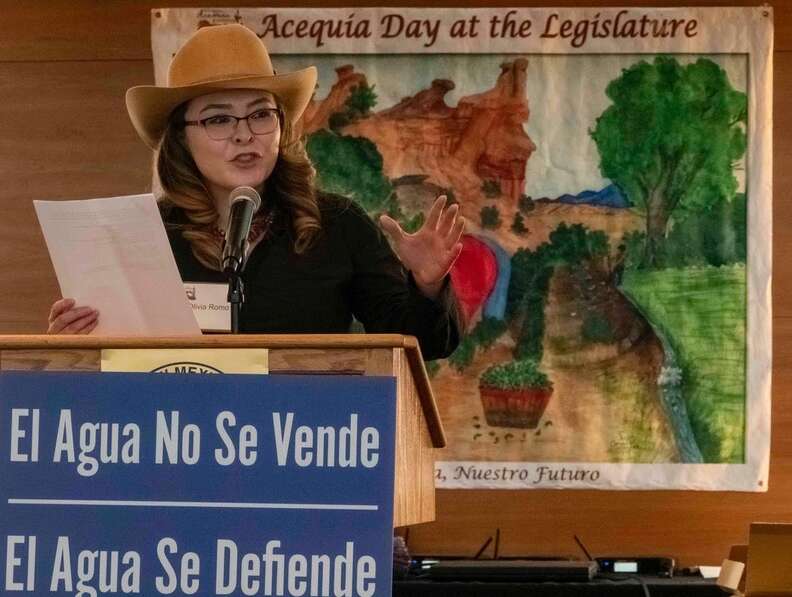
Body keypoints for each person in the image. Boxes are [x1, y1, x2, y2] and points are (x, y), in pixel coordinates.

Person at [47, 24, 464, 360]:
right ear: (181, 139)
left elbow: (423, 344)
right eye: (219, 120)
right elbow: (110, 369)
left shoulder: (337, 226)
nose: (244, 135)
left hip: (304, 444)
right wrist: (72, 343)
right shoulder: (145, 237)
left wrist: (427, 286)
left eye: (261, 114)